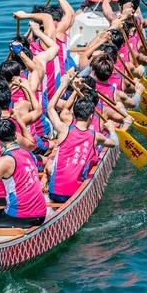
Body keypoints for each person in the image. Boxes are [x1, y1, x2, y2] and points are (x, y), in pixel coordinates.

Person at [46, 72, 118, 203]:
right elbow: (114, 144)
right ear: (91, 117)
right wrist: (112, 130)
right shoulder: (96, 136)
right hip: (76, 196)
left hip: (53, 193)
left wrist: (64, 85)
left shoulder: (63, 130)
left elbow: (50, 107)